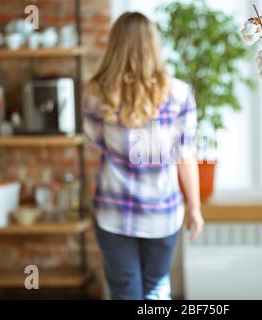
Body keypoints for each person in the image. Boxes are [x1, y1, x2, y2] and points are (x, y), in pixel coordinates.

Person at [83, 11, 204, 300]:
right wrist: (195, 209)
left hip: (113, 212)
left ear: (114, 46)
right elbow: (185, 156)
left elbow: (96, 141)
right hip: (161, 213)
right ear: (153, 45)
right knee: (155, 290)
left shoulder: (96, 96)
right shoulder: (179, 94)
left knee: (126, 292)